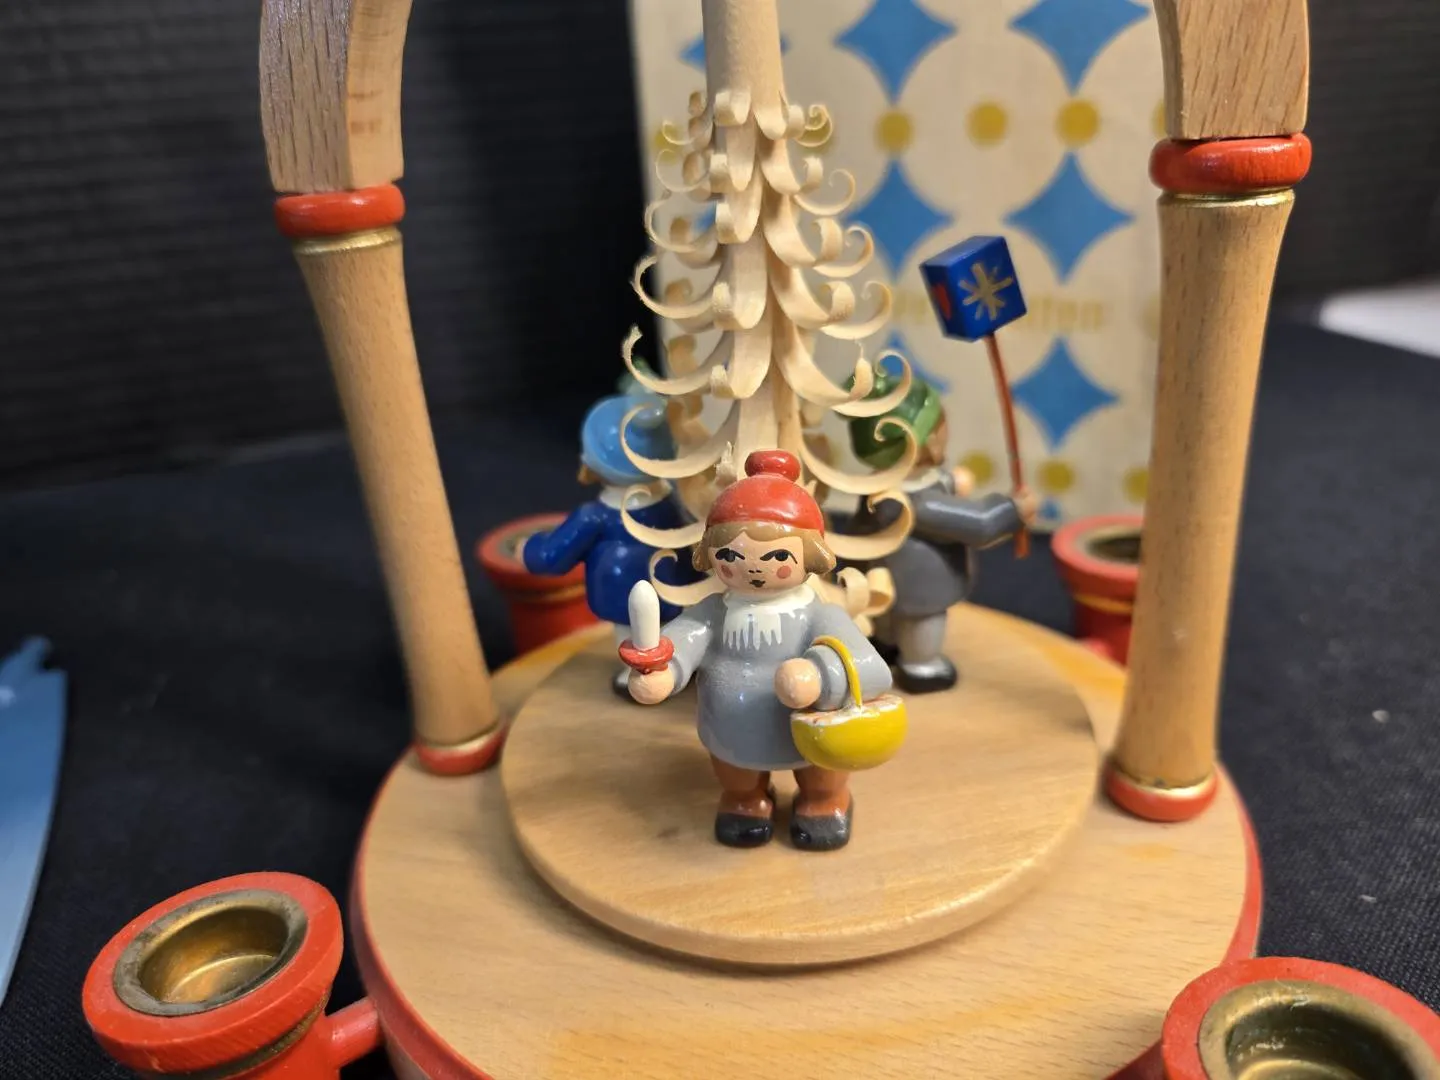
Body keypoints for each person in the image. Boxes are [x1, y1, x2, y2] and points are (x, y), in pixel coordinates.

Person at [625, 449, 892, 852]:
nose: (752, 567)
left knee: (821, 771)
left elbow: (872, 670)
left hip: (805, 726)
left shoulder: (820, 616)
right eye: (730, 556)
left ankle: (824, 802)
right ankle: (745, 800)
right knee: (735, 772)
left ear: (809, 556)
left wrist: (819, 676)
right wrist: (664, 671)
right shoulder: (713, 612)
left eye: (778, 556)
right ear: (711, 554)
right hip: (731, 725)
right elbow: (684, 639)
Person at [846, 372, 1036, 693]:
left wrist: (949, 482)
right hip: (918, 583)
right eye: (940, 429)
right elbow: (978, 524)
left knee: (888, 618)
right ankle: (921, 664)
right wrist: (1012, 510)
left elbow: (932, 484)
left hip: (881, 573)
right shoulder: (912, 502)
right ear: (925, 442)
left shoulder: (879, 483)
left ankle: (886, 644)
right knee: (922, 623)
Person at [521, 393, 698, 695]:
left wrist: (529, 548)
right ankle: (675, 665)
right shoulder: (674, 500)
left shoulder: (594, 516)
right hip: (674, 585)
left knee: (631, 632)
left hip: (620, 592)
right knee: (671, 626)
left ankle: (639, 673)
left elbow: (552, 557)